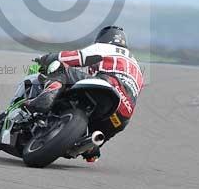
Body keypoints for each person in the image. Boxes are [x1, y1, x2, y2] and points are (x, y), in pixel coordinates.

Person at [26, 25, 145, 163]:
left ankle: (46, 98)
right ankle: (90, 147)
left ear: (104, 38)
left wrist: (48, 59)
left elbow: (76, 57)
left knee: (60, 69)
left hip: (107, 85)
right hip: (122, 114)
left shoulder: (107, 47)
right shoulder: (137, 66)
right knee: (94, 141)